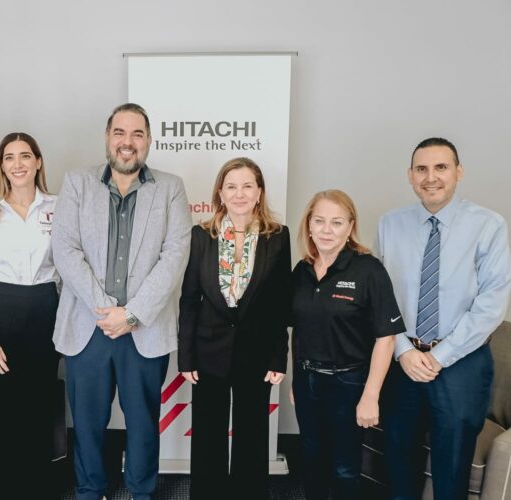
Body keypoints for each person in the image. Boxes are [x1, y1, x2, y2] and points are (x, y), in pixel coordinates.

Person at [52, 103, 192, 500]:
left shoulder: (171, 187)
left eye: (136, 134)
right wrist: (106, 311)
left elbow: (175, 256)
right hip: (87, 326)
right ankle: (89, 489)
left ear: (148, 140)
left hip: (144, 329)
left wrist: (130, 314)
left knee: (144, 423)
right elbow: (65, 250)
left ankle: (142, 491)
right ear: (107, 137)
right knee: (87, 422)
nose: (127, 142)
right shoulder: (77, 183)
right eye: (119, 132)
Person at [376, 137, 511, 500]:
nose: (431, 177)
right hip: (403, 361)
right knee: (399, 460)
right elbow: (381, 298)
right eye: (421, 169)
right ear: (410, 175)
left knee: (451, 469)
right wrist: (403, 350)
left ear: (458, 172)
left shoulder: (489, 226)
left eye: (441, 167)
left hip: (461, 362)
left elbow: (491, 304)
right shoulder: (390, 224)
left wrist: (439, 356)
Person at [177, 157, 290, 499]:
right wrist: (186, 357)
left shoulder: (277, 237)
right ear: (221, 193)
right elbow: (189, 299)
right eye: (231, 186)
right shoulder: (202, 235)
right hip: (208, 350)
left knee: (252, 435)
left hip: (257, 351)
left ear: (259, 193)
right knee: (208, 434)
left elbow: (280, 303)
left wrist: (279, 356)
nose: (239, 193)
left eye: (247, 186)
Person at [291, 189, 401, 500]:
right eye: (319, 221)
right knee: (311, 458)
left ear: (350, 226)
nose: (327, 230)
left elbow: (386, 337)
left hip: (349, 383)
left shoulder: (368, 270)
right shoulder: (302, 270)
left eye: (337, 222)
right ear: (309, 225)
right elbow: (298, 329)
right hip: (307, 379)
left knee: (344, 467)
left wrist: (371, 396)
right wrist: (296, 379)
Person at [0, 132, 59, 499]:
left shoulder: (58, 207)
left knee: (39, 406)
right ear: (1, 165)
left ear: (38, 162)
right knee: (4, 410)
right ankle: (5, 491)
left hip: (45, 310)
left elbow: (66, 270)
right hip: (1, 312)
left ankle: (39, 490)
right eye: (9, 157)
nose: (17, 164)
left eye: (25, 156)